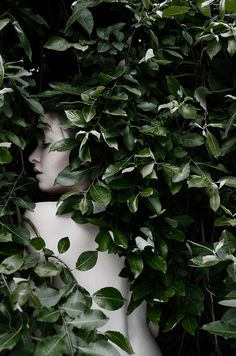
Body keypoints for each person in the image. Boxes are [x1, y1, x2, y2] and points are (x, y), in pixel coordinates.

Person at [24, 105, 162, 356]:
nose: (33, 156)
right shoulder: (131, 224)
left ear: (84, 150)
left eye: (45, 143)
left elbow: (35, 326)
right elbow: (152, 327)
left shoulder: (39, 217)